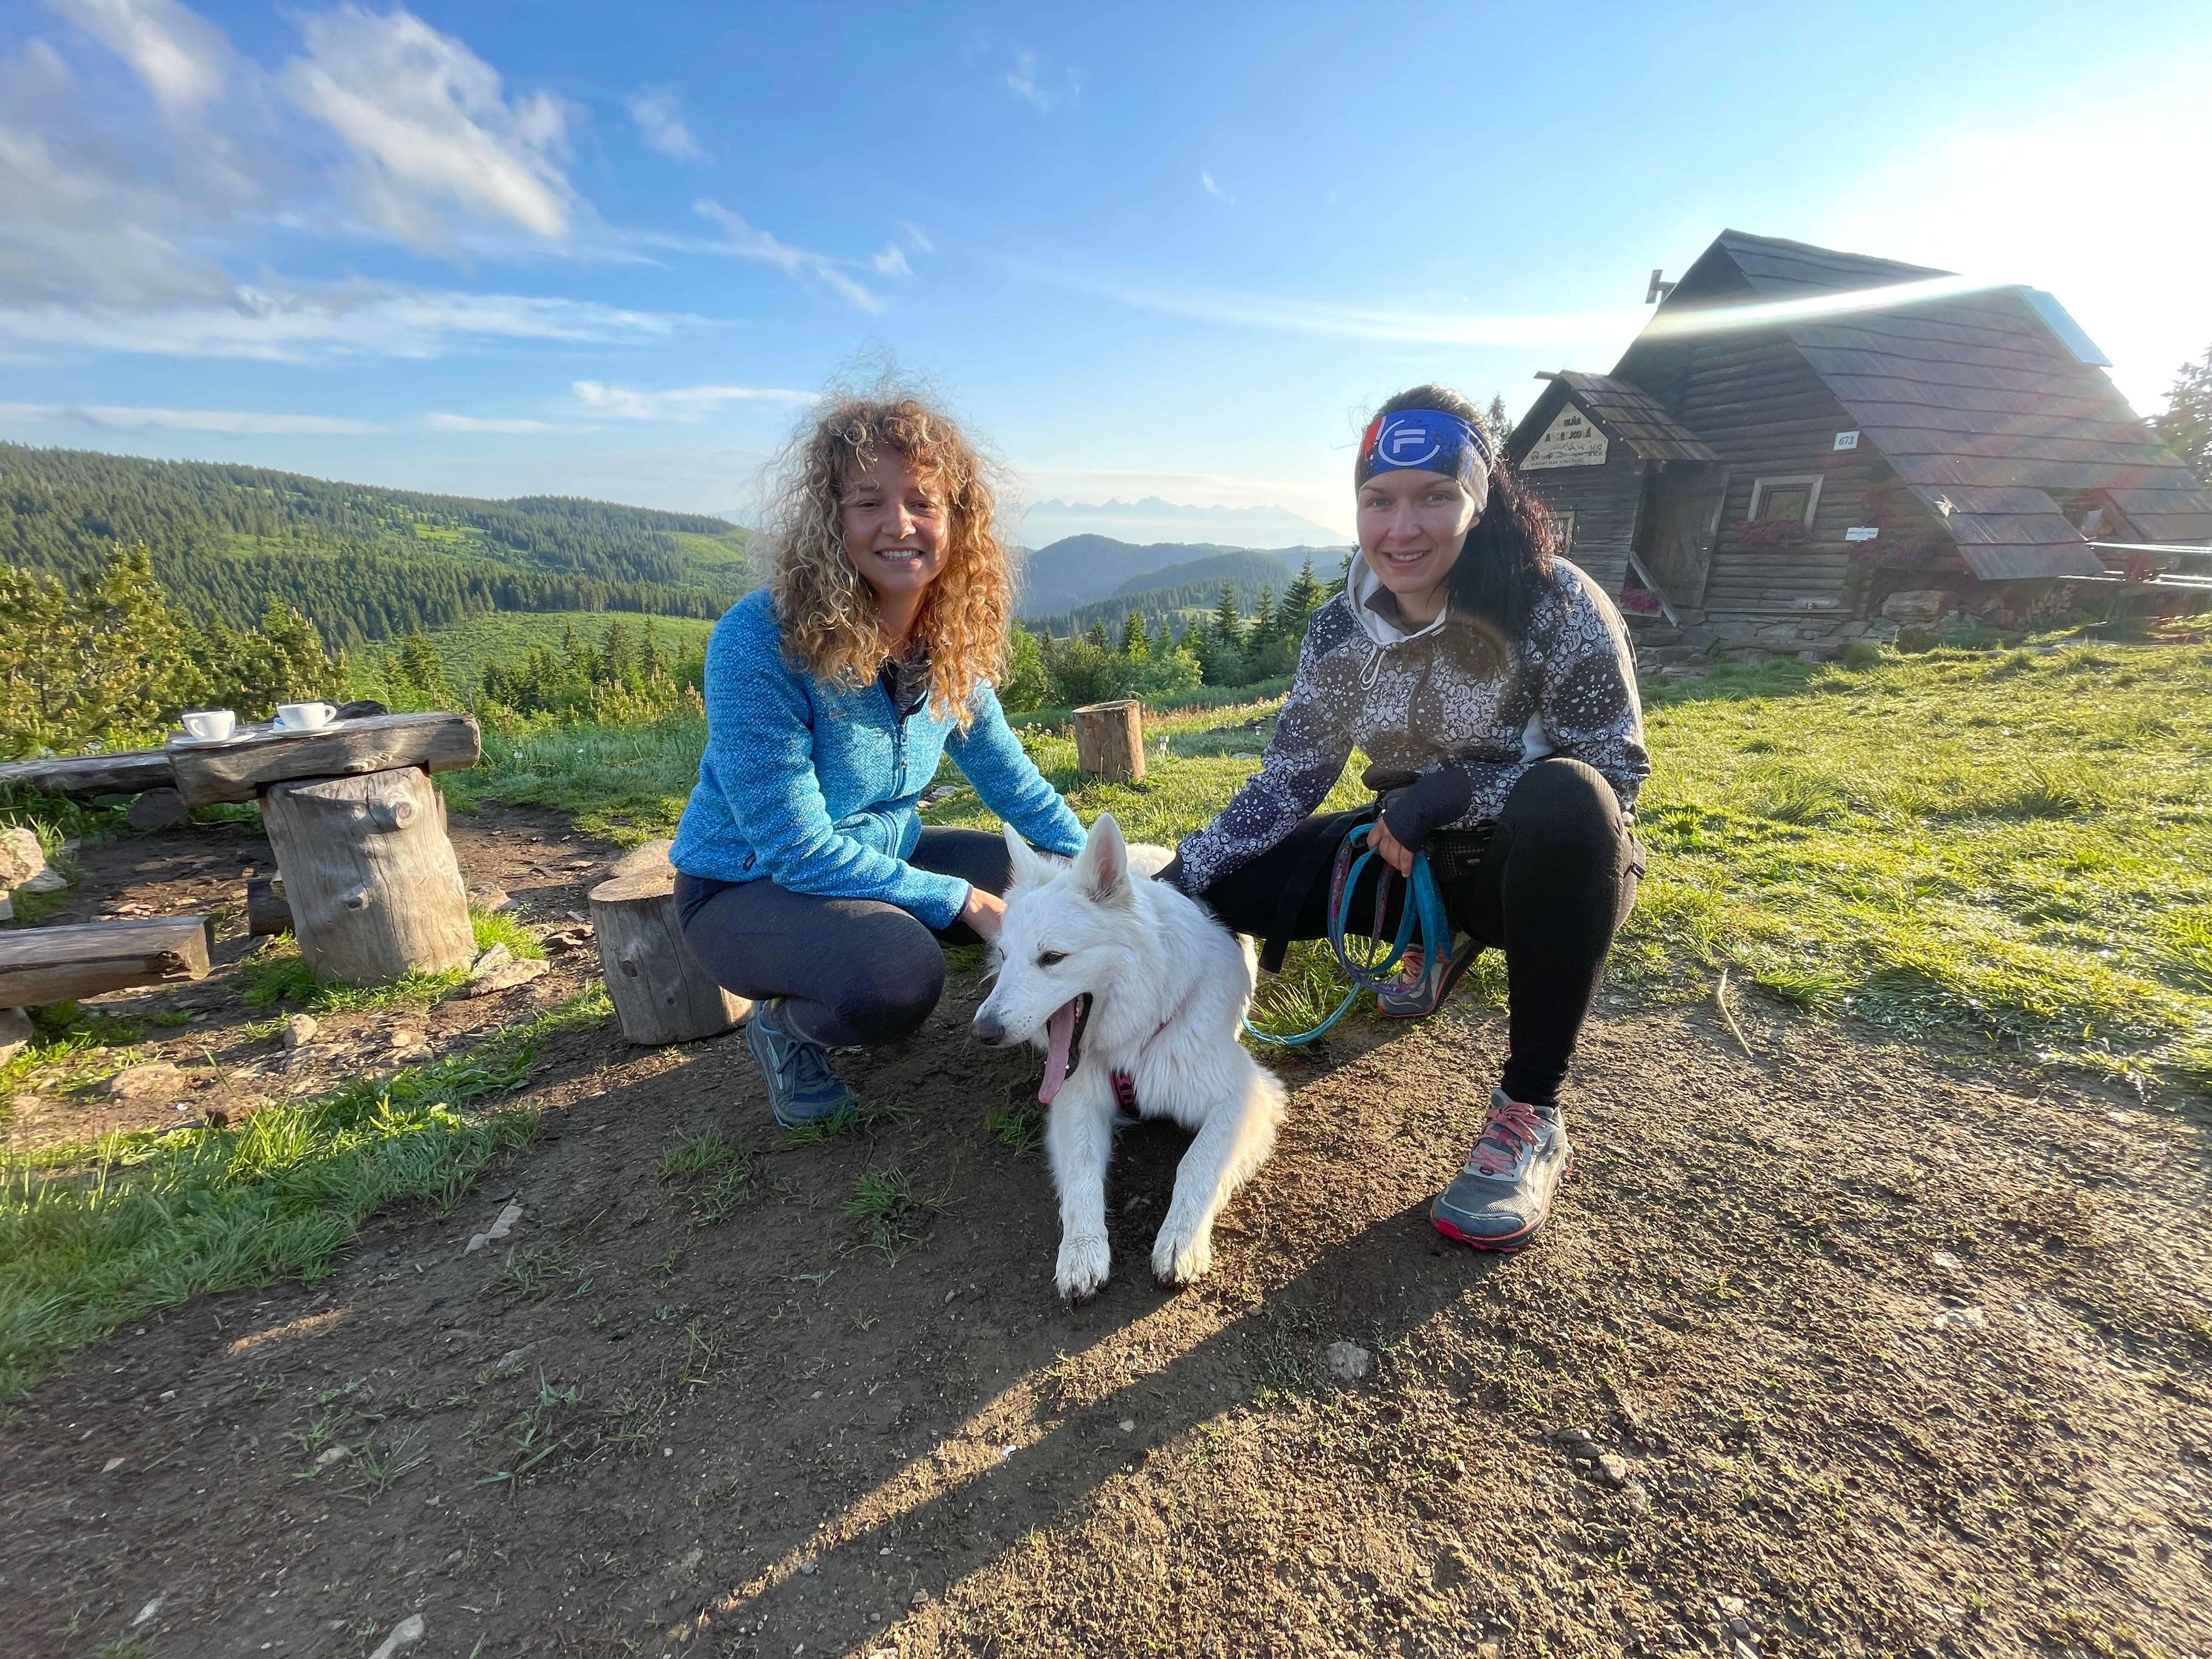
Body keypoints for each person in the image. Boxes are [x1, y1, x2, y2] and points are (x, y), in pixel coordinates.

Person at [1158, 384, 1646, 1251]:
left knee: (1570, 803)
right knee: (1226, 888)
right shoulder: (1339, 629)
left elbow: (1611, 774)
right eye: (1379, 500)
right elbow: (1290, 779)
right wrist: (1180, 877)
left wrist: (1453, 794)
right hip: (1404, 857)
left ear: (1481, 497)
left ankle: (1531, 1113)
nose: (1402, 528)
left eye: (1434, 496)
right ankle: (1429, 940)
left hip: (1537, 865)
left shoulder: (1558, 604)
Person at [671, 392, 1086, 1127]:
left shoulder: (947, 639)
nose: (899, 525)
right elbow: (796, 852)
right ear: (831, 518)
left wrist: (1105, 878)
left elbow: (1013, 783)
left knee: (1042, 887)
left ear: (959, 521)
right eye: (869, 502)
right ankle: (788, 1031)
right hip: (745, 885)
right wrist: (961, 900)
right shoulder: (757, 644)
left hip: (875, 850)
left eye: (923, 503)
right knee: (894, 974)